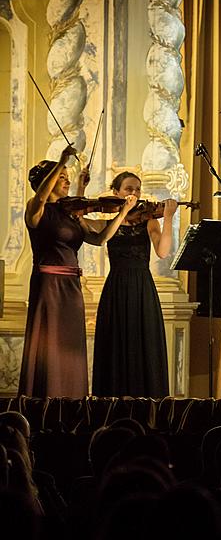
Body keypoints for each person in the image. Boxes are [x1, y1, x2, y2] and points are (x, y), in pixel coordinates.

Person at [20, 145, 136, 397]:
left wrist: (123, 213)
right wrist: (62, 161)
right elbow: (40, 198)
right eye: (61, 177)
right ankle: (45, 402)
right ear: (46, 183)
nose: (66, 180)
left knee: (70, 348)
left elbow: (99, 238)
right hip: (48, 285)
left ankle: (72, 402)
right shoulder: (36, 209)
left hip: (71, 289)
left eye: (66, 177)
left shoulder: (71, 214)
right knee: (49, 348)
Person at [90, 172, 176, 398]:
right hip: (116, 287)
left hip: (141, 287)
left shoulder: (148, 221)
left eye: (137, 189)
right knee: (116, 344)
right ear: (116, 193)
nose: (134, 193)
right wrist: (123, 211)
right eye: (128, 189)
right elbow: (94, 234)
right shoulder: (108, 222)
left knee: (143, 343)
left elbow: (163, 251)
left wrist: (168, 218)